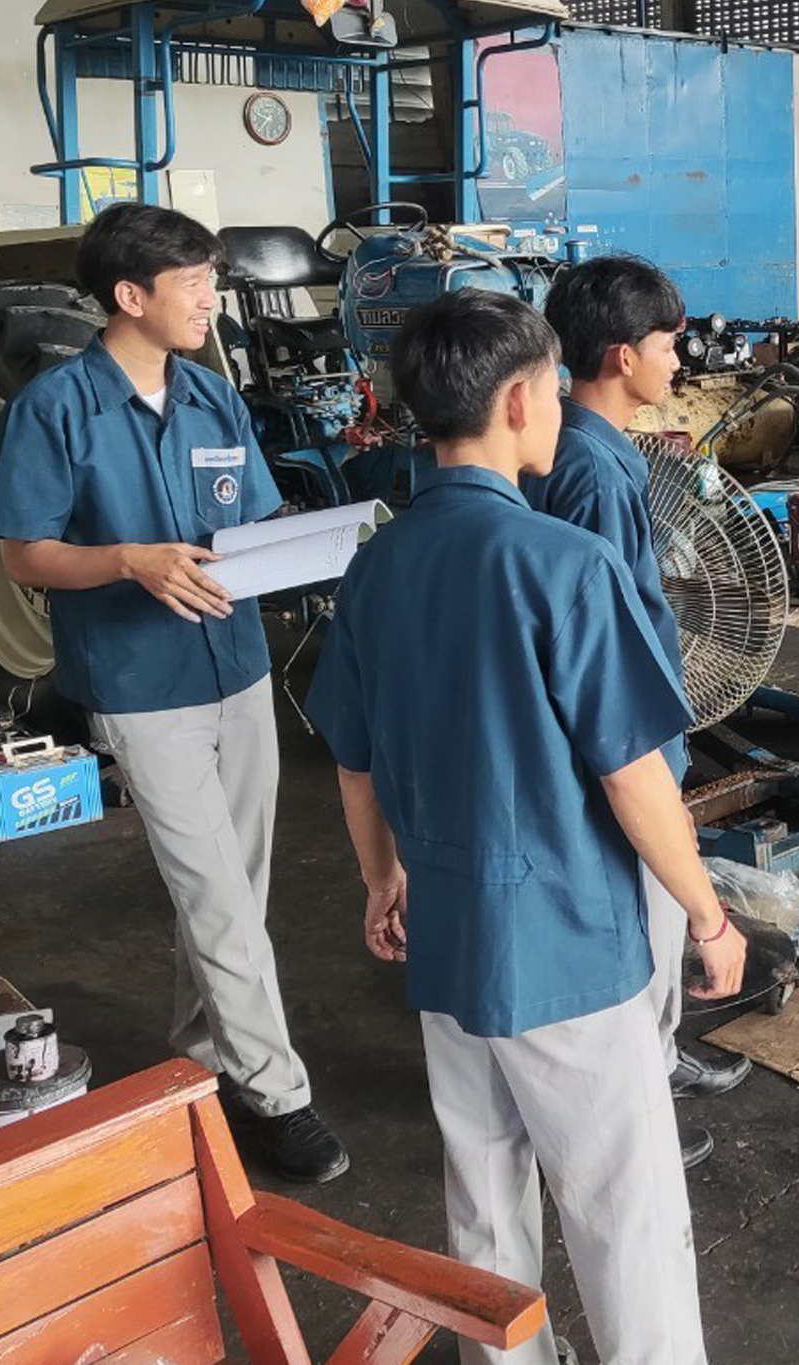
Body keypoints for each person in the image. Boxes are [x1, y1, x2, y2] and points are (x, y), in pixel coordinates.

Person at [306, 289, 748, 1365]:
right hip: (565, 941)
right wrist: (706, 913)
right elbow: (634, 779)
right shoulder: (564, 564)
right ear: (517, 399)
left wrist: (381, 882)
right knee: (620, 1204)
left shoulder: (377, 563)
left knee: (485, 1189)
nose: (557, 406)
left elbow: (351, 759)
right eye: (552, 387)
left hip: (446, 936)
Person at [0, 203, 347, 1182]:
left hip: (236, 669)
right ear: (129, 296)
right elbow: (25, 553)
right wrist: (127, 562)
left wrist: (324, 550)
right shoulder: (54, 408)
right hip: (142, 688)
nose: (209, 298)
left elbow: (253, 521)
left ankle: (202, 1062)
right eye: (192, 282)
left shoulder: (211, 396)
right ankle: (276, 1095)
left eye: (210, 278)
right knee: (217, 901)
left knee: (236, 891)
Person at [524, 254, 751, 1170]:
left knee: (651, 917)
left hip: (629, 721)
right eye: (669, 345)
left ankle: (656, 1057)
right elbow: (597, 625)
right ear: (620, 357)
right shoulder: (590, 469)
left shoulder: (589, 449)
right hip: (622, 734)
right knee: (650, 914)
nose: (680, 361)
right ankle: (638, 1099)